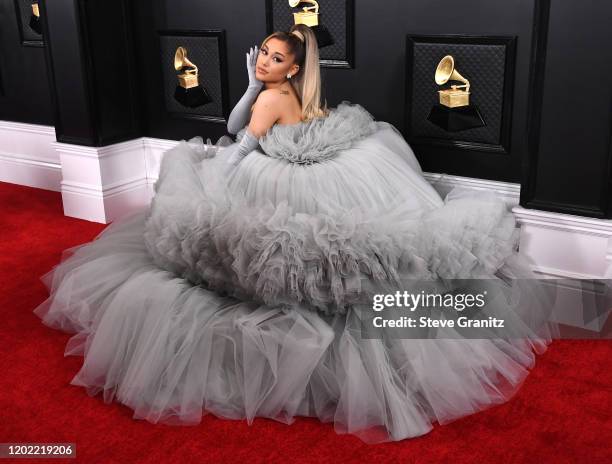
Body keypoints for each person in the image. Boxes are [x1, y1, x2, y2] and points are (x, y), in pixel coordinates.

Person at [33, 24, 559, 444]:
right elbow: (246, 119)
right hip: (304, 158)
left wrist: (218, 176)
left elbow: (238, 137)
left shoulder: (270, 98)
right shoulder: (279, 92)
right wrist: (249, 86)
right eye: (262, 52)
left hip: (275, 169)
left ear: (294, 67)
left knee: (270, 248)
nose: (264, 61)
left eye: (275, 58)